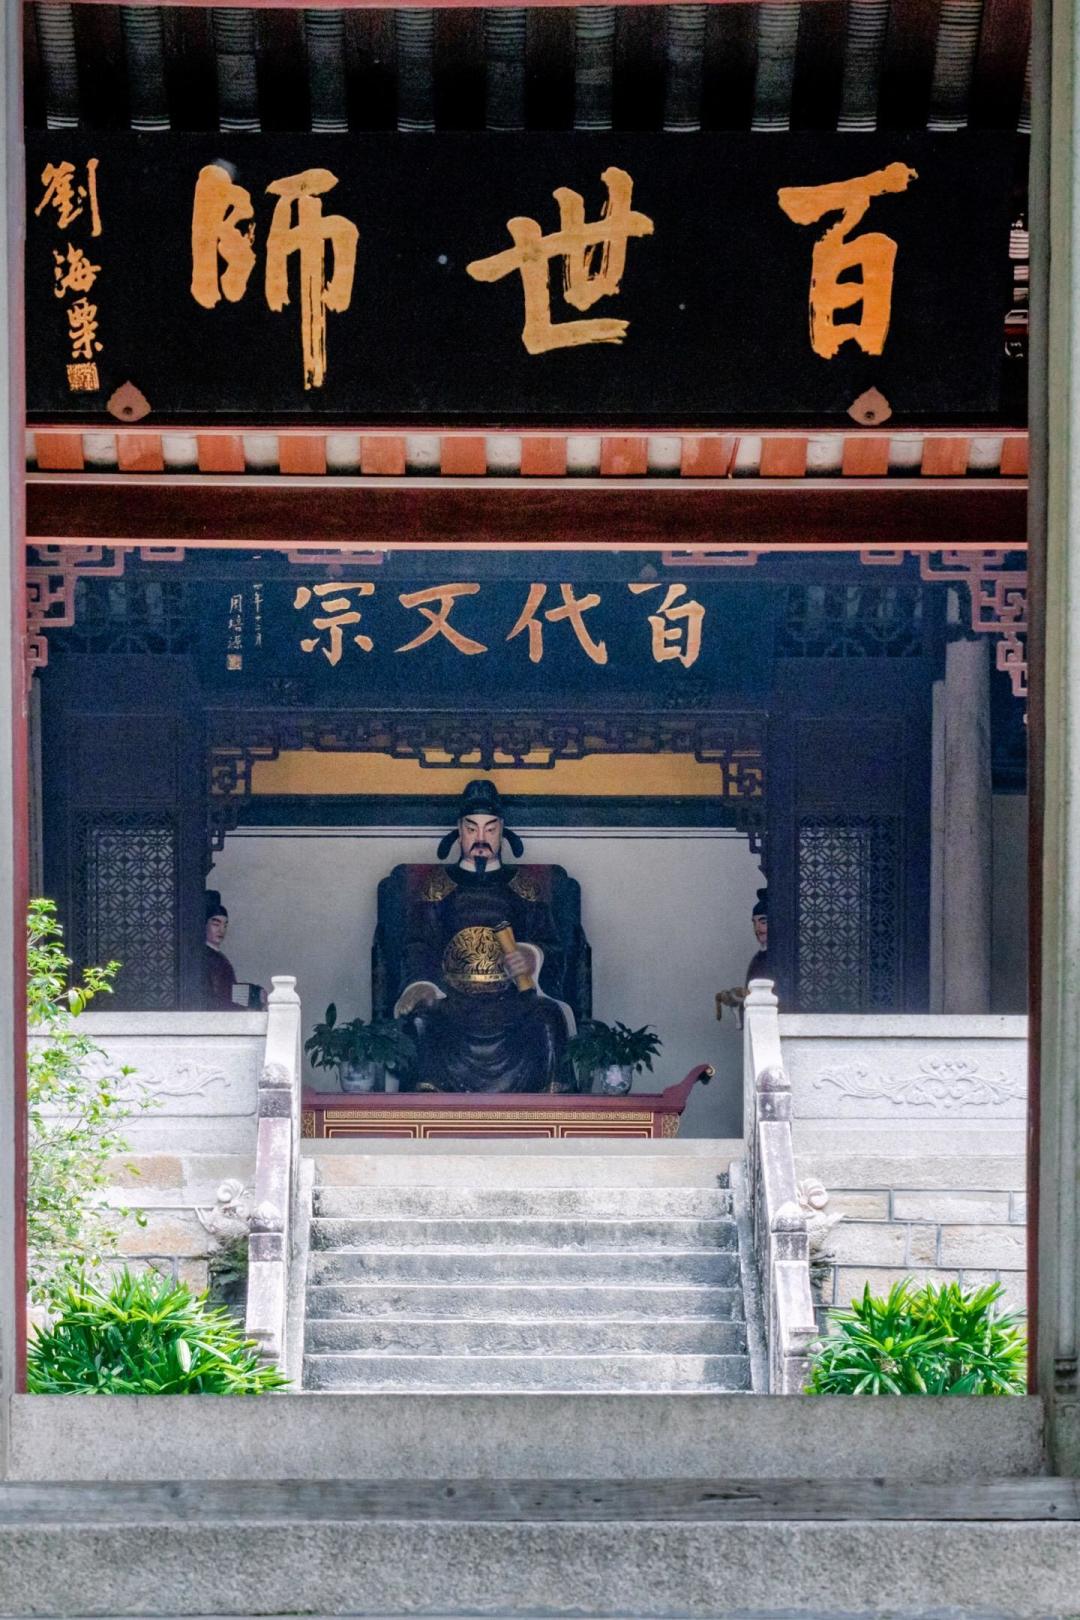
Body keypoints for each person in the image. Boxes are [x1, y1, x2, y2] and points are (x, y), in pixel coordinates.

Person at [394, 779, 571, 1092]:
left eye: (490, 830)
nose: (480, 839)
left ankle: (547, 1109)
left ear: (502, 832)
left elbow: (552, 945)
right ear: (459, 831)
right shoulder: (437, 886)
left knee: (548, 1018)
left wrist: (532, 957)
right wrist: (422, 985)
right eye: (471, 829)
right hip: (452, 1000)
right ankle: (428, 1106)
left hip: (511, 1001)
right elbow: (419, 944)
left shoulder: (524, 887)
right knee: (421, 1021)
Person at [716, 888, 771, 1025]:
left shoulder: (779, 959)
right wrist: (736, 998)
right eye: (754, 923)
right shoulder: (757, 959)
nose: (757, 929)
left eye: (763, 922)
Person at [203, 892, 264, 1010]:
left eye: (225, 925)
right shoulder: (205, 956)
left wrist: (256, 993)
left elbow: (228, 990)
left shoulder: (218, 956)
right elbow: (220, 994)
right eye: (216, 924)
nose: (221, 930)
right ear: (204, 925)